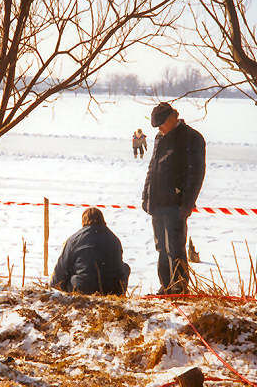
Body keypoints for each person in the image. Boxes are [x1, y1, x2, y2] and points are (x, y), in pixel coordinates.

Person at [142, 102, 206, 295]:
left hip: (176, 205)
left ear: (172, 118)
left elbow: (196, 174)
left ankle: (179, 289)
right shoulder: (160, 137)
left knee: (175, 249)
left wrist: (186, 203)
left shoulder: (191, 138)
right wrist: (146, 195)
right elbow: (152, 169)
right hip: (157, 203)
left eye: (162, 124)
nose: (160, 129)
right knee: (161, 247)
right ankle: (166, 286)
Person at [51, 207, 131, 296]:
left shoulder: (74, 239)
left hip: (83, 289)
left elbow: (61, 270)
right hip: (112, 290)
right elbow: (119, 267)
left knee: (71, 269)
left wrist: (53, 288)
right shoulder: (114, 239)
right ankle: (119, 293)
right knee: (125, 267)